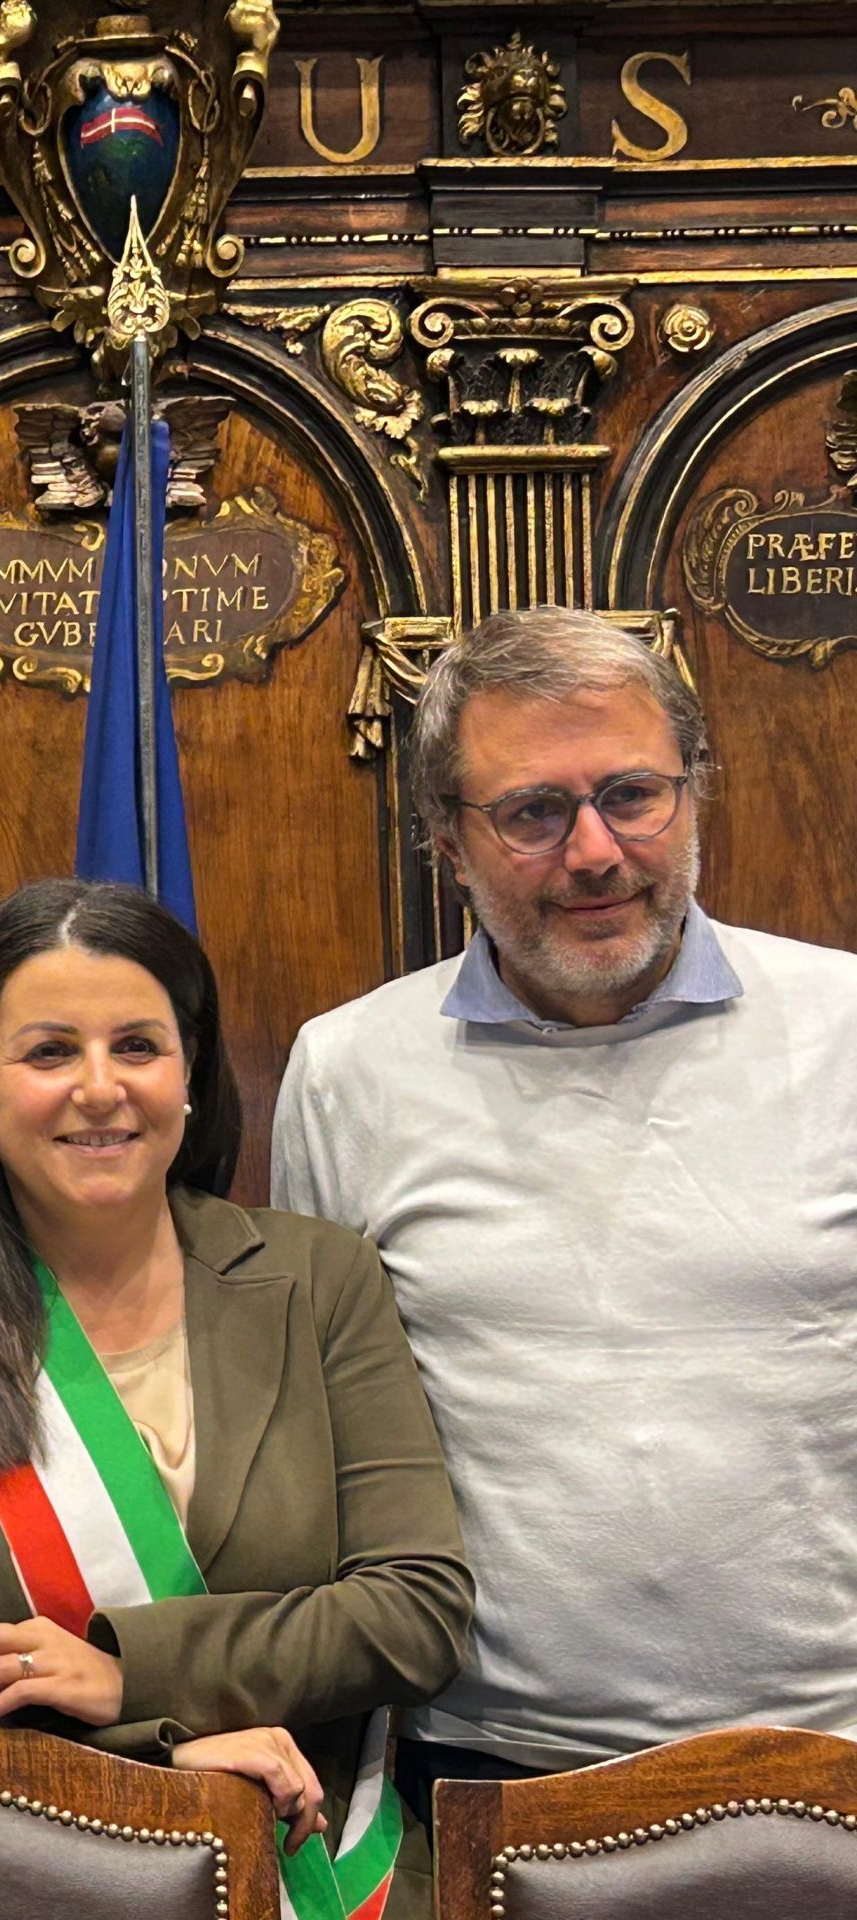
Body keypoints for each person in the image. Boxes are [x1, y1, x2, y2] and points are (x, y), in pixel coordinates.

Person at [272, 605, 857, 1811]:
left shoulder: (846, 1028)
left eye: (633, 794)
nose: (594, 851)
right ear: (447, 839)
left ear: (694, 793)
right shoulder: (347, 1073)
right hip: (488, 1774)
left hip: (837, 1750)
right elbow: (322, 1442)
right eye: (534, 812)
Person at [0, 879, 471, 1920]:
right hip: (24, 1884)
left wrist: (130, 1673)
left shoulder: (317, 1280)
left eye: (136, 1046)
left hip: (328, 1879)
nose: (100, 1087)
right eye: (48, 1052)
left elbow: (416, 1611)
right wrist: (157, 1748)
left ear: (191, 1071)